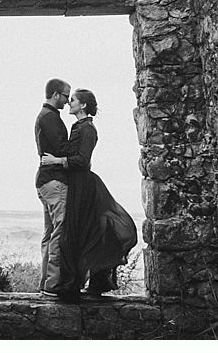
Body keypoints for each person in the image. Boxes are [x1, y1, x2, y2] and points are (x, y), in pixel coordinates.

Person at [40, 88, 137, 302]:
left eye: (73, 100)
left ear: (82, 105)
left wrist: (57, 161)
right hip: (75, 185)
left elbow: (82, 160)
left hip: (83, 185)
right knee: (76, 234)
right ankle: (71, 283)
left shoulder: (88, 129)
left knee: (85, 232)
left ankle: (85, 283)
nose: (69, 103)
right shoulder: (79, 126)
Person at [34, 78, 72, 297]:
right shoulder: (49, 117)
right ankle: (52, 284)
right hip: (54, 181)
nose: (67, 101)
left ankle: (45, 283)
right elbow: (61, 148)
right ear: (56, 94)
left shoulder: (47, 116)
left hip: (45, 180)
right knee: (60, 231)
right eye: (66, 96)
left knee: (50, 233)